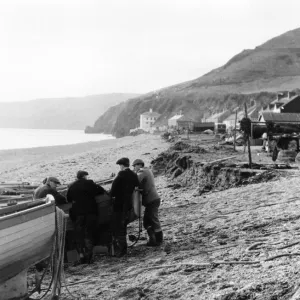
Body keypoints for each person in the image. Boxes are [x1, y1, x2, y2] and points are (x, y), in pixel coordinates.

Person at [66, 170, 106, 264]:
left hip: (77, 214)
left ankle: (81, 255)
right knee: (88, 233)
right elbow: (100, 191)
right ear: (84, 176)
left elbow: (68, 198)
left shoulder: (72, 186)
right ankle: (89, 256)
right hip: (90, 212)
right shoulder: (89, 183)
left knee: (79, 234)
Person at [110, 157, 139, 257]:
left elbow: (113, 190)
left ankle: (123, 250)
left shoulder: (121, 174)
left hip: (119, 204)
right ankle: (123, 248)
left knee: (119, 227)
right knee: (124, 224)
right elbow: (137, 186)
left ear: (121, 165)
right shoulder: (133, 174)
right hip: (129, 204)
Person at [132, 159, 163, 246]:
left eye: (134, 166)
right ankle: (154, 239)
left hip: (151, 200)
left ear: (139, 165)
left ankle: (158, 240)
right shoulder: (147, 170)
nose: (134, 168)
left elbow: (135, 180)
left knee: (152, 220)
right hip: (153, 199)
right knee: (149, 221)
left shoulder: (142, 171)